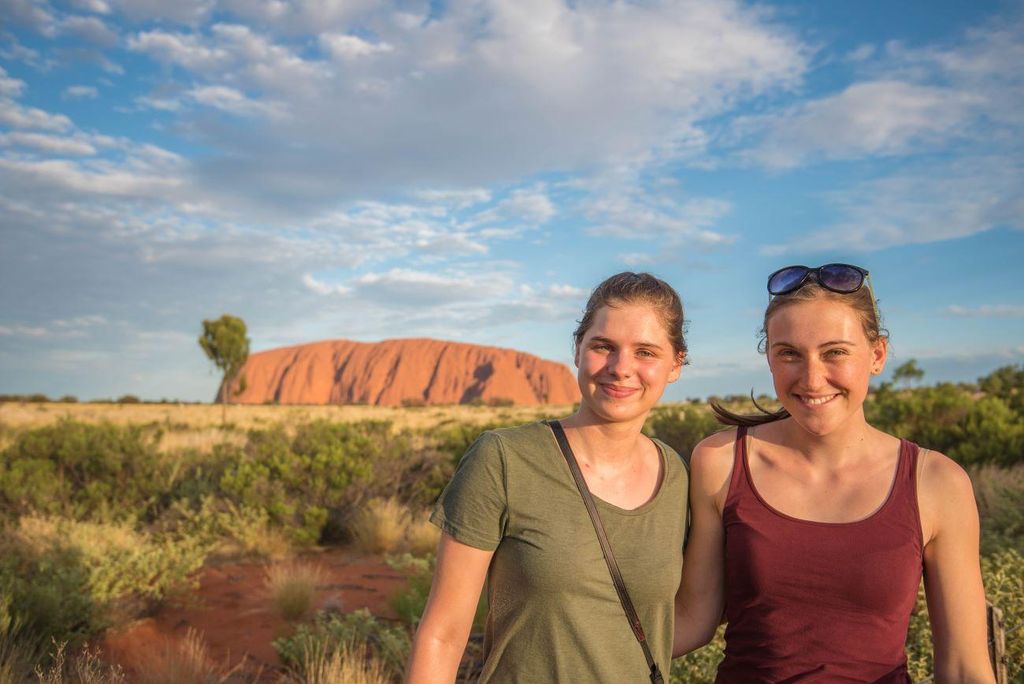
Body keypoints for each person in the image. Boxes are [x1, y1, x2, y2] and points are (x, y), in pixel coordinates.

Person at [673, 263, 995, 683]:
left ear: (876, 355)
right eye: (789, 353)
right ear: (769, 358)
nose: (812, 378)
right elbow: (694, 619)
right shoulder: (720, 461)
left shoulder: (936, 482)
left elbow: (963, 668)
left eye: (835, 352)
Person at [406, 272, 690, 683]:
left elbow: (683, 618)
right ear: (578, 350)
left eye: (645, 352)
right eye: (603, 346)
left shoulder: (677, 475)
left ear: (675, 365)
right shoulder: (504, 458)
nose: (621, 368)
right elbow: (444, 634)